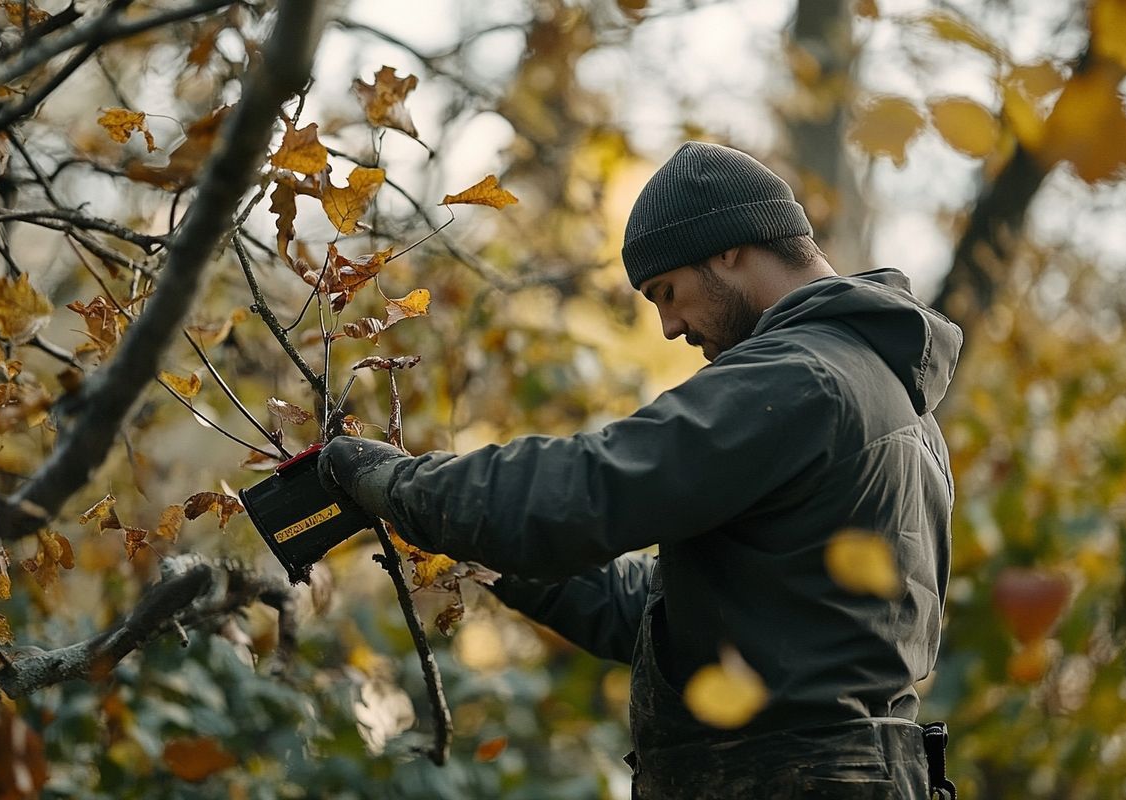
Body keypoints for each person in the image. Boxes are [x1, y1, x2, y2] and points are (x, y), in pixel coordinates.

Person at [318, 141, 963, 799]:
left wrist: (395, 483)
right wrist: (469, 546)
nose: (669, 326)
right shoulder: (883, 396)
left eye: (668, 291)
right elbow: (670, 620)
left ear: (729, 249)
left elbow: (588, 488)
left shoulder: (801, 381)